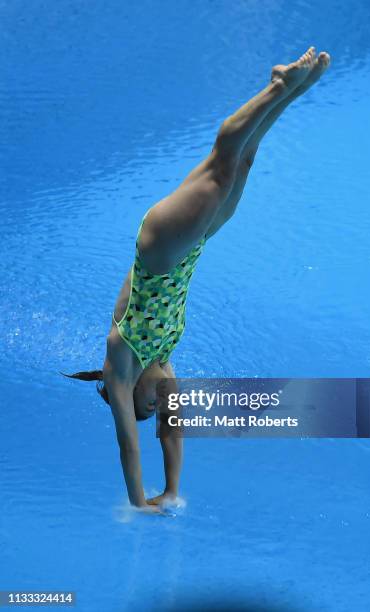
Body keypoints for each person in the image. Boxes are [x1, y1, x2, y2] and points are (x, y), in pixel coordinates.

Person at [63, 47, 331, 513]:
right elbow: (172, 432)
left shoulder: (120, 362)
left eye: (145, 407)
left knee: (220, 167)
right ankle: (294, 93)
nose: (157, 403)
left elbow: (130, 448)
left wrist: (137, 502)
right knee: (242, 165)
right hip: (189, 253)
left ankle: (277, 85)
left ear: (126, 395)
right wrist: (169, 491)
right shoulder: (163, 364)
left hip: (160, 250)